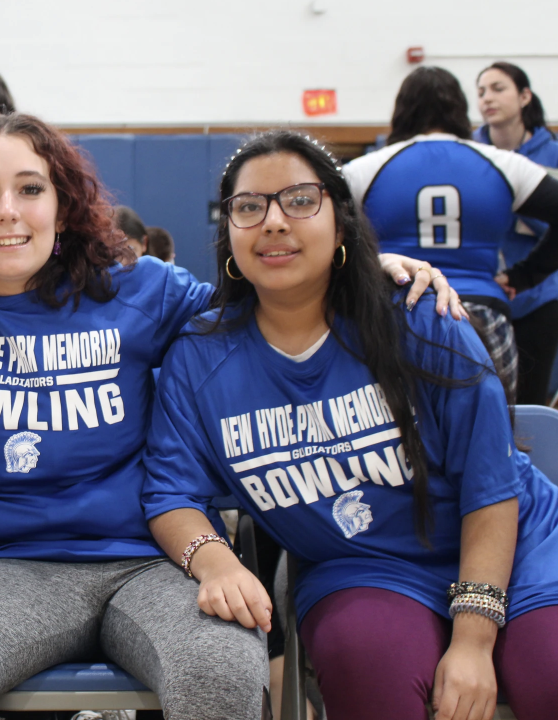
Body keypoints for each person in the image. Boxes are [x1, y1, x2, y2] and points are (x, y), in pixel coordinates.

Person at [0, 115, 459, 720]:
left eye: (30, 189)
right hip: (7, 569)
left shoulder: (139, 289)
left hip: (150, 563)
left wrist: (370, 266)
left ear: (62, 206)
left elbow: (262, 308)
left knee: (222, 666)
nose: (8, 213)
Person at [143, 130, 558, 720]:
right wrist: (217, 562)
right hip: (361, 567)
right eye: (249, 206)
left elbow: (490, 483)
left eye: (301, 200)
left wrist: (472, 637)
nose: (274, 222)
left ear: (341, 221)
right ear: (229, 233)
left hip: (519, 547)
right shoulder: (201, 356)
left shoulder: (420, 316)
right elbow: (170, 492)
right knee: (365, 660)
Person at [343, 66, 558, 402]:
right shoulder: (504, 163)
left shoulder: (366, 168)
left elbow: (321, 231)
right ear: (461, 108)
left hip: (396, 312)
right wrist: (525, 275)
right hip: (481, 315)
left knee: (400, 438)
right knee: (496, 436)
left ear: (401, 111)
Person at [474, 62, 558, 405]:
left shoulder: (551, 154)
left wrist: (523, 198)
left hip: (539, 295)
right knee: (487, 402)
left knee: (531, 404)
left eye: (498, 88)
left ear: (524, 96)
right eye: (480, 92)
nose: (487, 99)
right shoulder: (473, 154)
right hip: (483, 295)